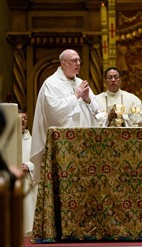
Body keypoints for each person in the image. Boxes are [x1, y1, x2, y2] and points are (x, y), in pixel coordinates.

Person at [30, 49, 99, 182]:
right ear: (63, 64)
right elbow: (54, 111)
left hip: (84, 141)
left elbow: (97, 110)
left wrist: (87, 99)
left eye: (79, 60)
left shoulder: (80, 83)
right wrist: (76, 96)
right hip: (63, 143)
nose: (78, 63)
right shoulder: (51, 84)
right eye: (74, 61)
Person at [19, 109, 37, 236]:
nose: (22, 120)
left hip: (28, 181)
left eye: (25, 118)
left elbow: (40, 160)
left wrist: (28, 166)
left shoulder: (33, 140)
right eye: (19, 117)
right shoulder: (8, 140)